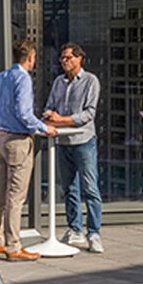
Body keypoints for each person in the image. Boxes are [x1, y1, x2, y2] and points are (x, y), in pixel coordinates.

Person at [0, 38, 55, 261]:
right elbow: (25, 113)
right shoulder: (23, 79)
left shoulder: (1, 76)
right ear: (31, 58)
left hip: (1, 138)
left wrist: (5, 121)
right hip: (18, 141)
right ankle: (13, 246)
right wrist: (44, 128)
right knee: (15, 197)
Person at [43, 43, 102, 253]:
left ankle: (94, 233)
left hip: (83, 141)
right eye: (62, 58)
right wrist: (52, 116)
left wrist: (60, 120)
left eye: (68, 57)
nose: (64, 61)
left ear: (79, 59)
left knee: (90, 188)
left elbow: (88, 115)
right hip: (62, 142)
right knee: (69, 189)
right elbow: (49, 107)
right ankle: (74, 229)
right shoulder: (58, 82)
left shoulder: (90, 81)